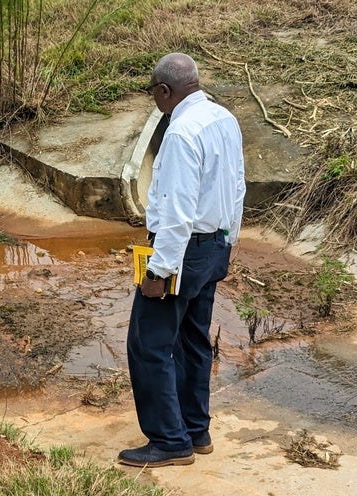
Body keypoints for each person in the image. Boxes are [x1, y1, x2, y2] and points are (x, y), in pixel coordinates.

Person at [118, 53, 245, 468]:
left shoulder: (180, 132)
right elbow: (237, 186)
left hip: (182, 252)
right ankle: (196, 430)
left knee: (148, 344)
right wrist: (227, 242)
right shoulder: (224, 119)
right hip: (214, 247)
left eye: (154, 94)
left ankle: (170, 441)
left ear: (164, 91)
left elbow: (176, 210)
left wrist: (159, 270)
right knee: (192, 340)